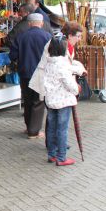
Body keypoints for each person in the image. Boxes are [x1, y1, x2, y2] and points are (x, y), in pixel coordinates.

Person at [9, 13, 52, 138]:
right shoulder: (47, 36)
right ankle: (34, 131)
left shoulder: (21, 36)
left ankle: (29, 127)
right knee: (38, 102)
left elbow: (13, 55)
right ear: (41, 23)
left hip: (24, 72)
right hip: (40, 73)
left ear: (29, 23)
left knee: (27, 100)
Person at [42, 37, 79, 166]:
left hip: (51, 99)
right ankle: (61, 157)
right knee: (62, 129)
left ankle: (52, 154)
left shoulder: (48, 63)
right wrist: (76, 90)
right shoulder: (61, 64)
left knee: (52, 127)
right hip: (63, 100)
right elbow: (69, 84)